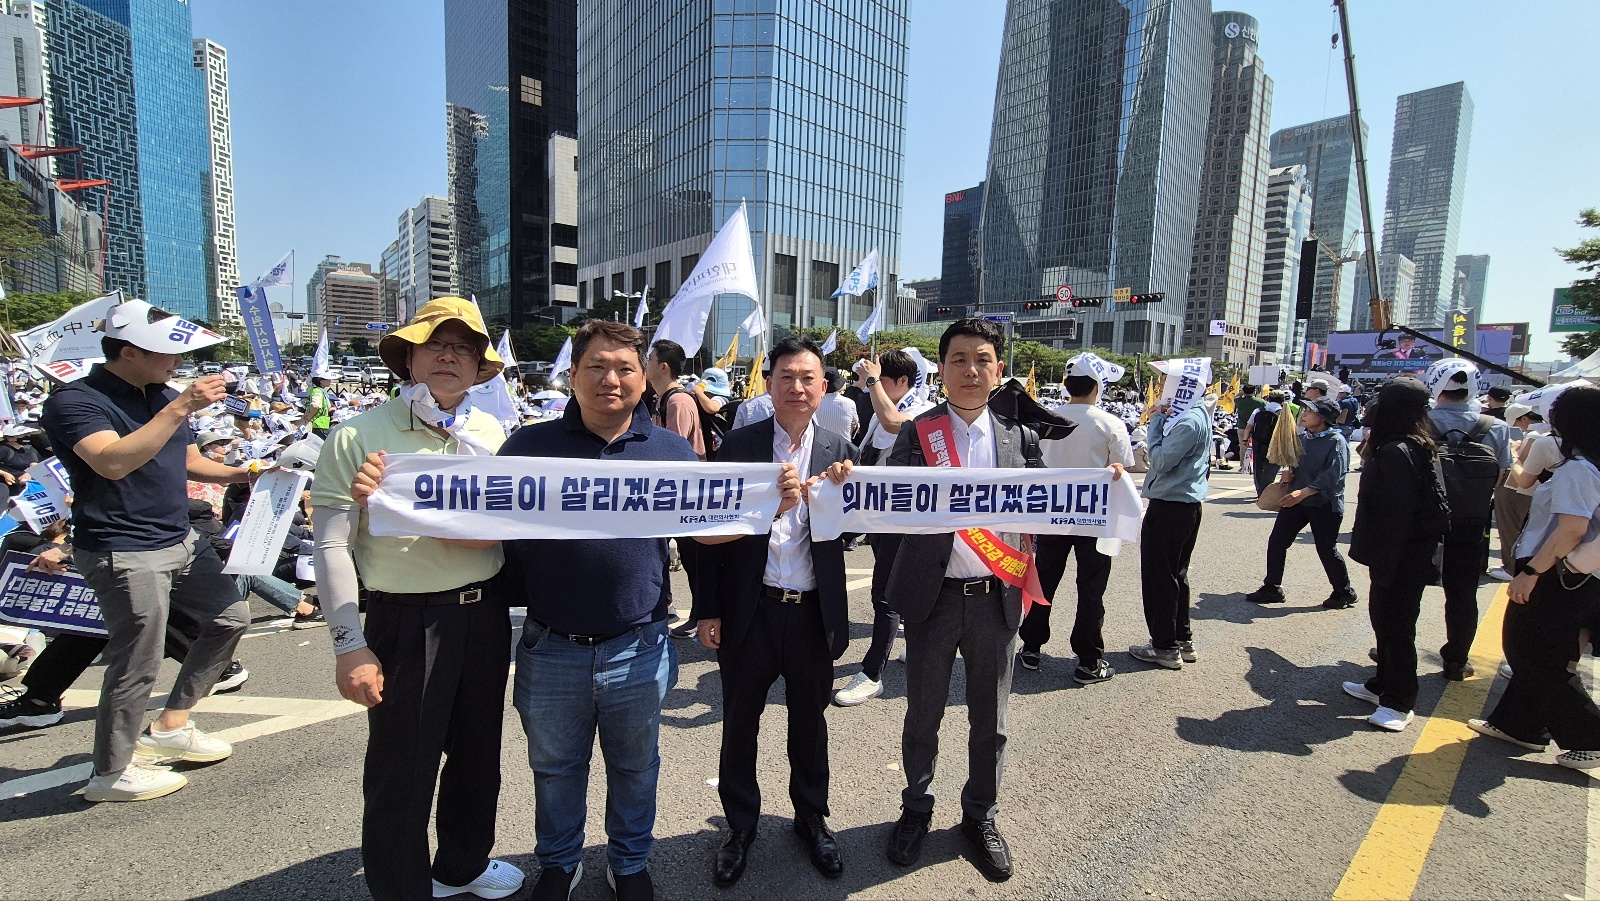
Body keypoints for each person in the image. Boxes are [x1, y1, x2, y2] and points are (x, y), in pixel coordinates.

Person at [316, 297, 522, 901]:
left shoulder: (492, 433)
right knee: (401, 770)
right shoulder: (357, 435)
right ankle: (401, 888)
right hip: (406, 620)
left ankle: (462, 865)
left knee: (478, 757)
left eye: (464, 348)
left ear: (479, 365)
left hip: (485, 615)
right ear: (408, 357)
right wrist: (349, 645)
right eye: (436, 344)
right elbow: (330, 544)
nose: (449, 357)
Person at [497, 320, 697, 901]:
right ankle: (560, 863)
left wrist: (768, 501)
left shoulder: (670, 450)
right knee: (555, 768)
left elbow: (710, 530)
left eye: (625, 368)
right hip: (550, 645)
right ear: (573, 375)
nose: (611, 379)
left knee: (635, 766)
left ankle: (629, 863)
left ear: (644, 378)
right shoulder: (527, 446)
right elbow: (477, 520)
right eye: (597, 367)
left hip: (639, 644)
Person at [38, 298, 255, 803]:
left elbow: (189, 461)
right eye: (168, 353)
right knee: (137, 659)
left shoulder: (161, 394)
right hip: (123, 545)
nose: (178, 363)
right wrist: (180, 407)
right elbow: (112, 462)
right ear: (130, 351)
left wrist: (248, 473)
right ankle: (111, 772)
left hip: (180, 537)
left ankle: (172, 724)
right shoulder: (75, 400)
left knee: (230, 618)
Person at [877, 318, 1038, 882]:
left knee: (991, 720)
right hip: (934, 598)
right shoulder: (917, 433)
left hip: (997, 598)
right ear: (942, 370)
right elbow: (885, 498)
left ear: (999, 369)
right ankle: (916, 807)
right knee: (923, 713)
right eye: (959, 360)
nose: (971, 370)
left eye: (982, 359)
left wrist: (1106, 483)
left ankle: (980, 815)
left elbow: (1052, 501)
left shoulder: (1020, 438)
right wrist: (849, 478)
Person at [693, 336, 853, 887]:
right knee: (740, 722)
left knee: (810, 723)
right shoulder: (740, 445)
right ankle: (740, 827)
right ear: (769, 383)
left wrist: (843, 496)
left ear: (823, 388)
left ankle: (811, 818)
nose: (797, 387)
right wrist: (707, 609)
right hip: (750, 608)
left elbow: (855, 528)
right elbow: (707, 530)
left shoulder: (839, 450)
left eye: (808, 378)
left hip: (812, 611)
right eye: (786, 376)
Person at [1468, 386, 1600, 769]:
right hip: (1575, 576)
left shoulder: (1578, 470)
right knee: (1543, 653)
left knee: (1527, 652)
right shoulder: (1588, 465)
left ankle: (1590, 737)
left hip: (1557, 574)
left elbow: (1571, 530)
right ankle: (1519, 725)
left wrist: (1529, 572)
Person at [1343, 377, 1449, 732]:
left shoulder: (1396, 452)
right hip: (1401, 554)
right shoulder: (1412, 445)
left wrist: (1385, 562)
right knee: (1385, 621)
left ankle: (1400, 701)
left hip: (1402, 556)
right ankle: (1381, 684)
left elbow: (1396, 516)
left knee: (1398, 627)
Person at [1018, 353, 1132, 683]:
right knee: (1091, 589)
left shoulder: (1048, 420)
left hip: (1052, 515)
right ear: (1097, 386)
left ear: (1067, 385)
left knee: (1045, 582)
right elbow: (1123, 468)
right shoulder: (1110, 423)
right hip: (1094, 517)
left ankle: (1031, 646)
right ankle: (1089, 660)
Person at [832, 349, 935, 707]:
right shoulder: (881, 406)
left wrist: (872, 382)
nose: (869, 387)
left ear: (903, 381)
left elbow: (894, 424)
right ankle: (916, 644)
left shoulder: (922, 410)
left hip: (906, 516)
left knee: (886, 594)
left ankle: (872, 674)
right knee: (905, 587)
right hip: (881, 514)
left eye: (878, 380)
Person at [1426, 360, 1512, 680]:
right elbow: (1502, 475)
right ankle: (1457, 660)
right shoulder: (1496, 427)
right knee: (1463, 592)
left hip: (1424, 516)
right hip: (1471, 519)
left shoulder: (1420, 422)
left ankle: (1395, 649)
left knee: (1408, 586)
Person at [1131, 370, 1212, 671]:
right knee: (1175, 575)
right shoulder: (1192, 414)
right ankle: (1180, 639)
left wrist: (1154, 424)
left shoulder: (1188, 420)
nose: (1162, 385)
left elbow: (1161, 461)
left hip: (1171, 506)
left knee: (1160, 578)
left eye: (1166, 380)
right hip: (1182, 505)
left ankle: (1164, 646)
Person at [1244, 397, 1358, 609]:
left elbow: (1334, 475)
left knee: (1326, 549)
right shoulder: (1303, 438)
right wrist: (1288, 474)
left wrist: (1305, 492)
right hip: (1297, 500)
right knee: (1277, 542)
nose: (1304, 414)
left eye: (1310, 411)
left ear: (1323, 418)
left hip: (1324, 504)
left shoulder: (1336, 441)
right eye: (1305, 410)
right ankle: (1272, 587)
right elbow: (1294, 462)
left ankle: (1344, 591)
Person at [646, 339, 708, 643]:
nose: (645, 364)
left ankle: (701, 614)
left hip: (686, 491)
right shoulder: (660, 399)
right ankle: (669, 607)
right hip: (670, 489)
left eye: (649, 359)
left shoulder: (678, 401)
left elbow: (673, 448)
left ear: (663, 366)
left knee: (694, 557)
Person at [1494, 407, 1560, 582]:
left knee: (1512, 531)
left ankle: (1511, 568)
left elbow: (1523, 477)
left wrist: (1513, 453)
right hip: (1545, 494)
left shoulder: (1536, 437)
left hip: (1520, 491)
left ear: (1524, 418)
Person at [1241, 390, 1289, 496]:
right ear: (1282, 400)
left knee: (1258, 466)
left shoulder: (1259, 410)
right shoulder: (1283, 412)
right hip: (1276, 444)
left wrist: (1245, 440)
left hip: (1258, 442)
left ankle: (1259, 489)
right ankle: (1266, 489)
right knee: (1272, 467)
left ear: (1268, 399)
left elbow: (1249, 426)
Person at [813, 366, 859, 439]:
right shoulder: (850, 403)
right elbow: (855, 424)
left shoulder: (814, 404)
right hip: (844, 444)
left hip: (820, 443)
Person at [307, 370, 335, 438]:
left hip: (321, 423)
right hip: (318, 424)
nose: (330, 381)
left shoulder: (320, 391)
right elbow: (315, 406)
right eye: (328, 380)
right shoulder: (317, 391)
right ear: (321, 381)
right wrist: (309, 416)